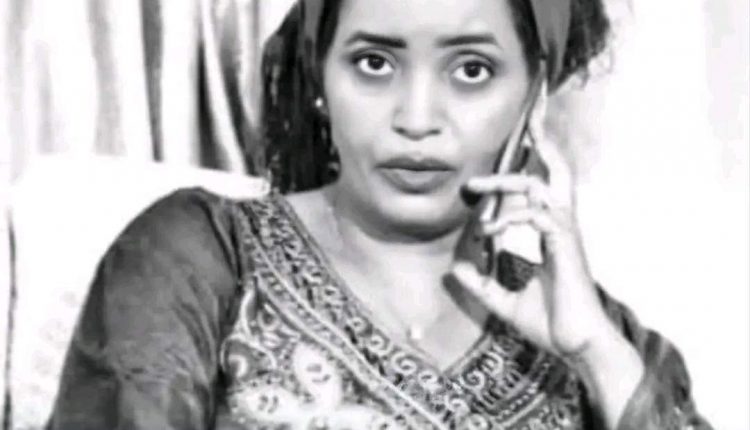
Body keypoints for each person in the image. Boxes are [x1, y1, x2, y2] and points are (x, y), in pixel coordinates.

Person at [48, 0, 713, 429]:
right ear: (320, 77)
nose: (416, 119)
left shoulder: (606, 341)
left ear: (534, 96)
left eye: (472, 70)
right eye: (373, 62)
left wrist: (597, 356)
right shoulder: (195, 256)